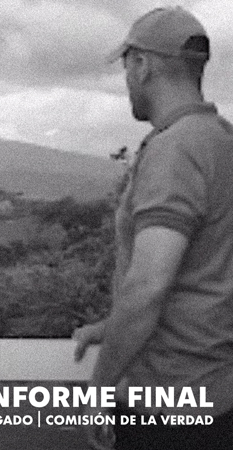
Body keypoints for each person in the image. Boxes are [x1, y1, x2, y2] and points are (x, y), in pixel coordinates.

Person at [73, 6, 233, 450]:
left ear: (141, 66)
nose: (126, 79)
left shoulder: (175, 150)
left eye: (126, 66)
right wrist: (111, 325)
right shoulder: (222, 140)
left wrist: (100, 389)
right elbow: (208, 271)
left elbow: (149, 286)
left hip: (169, 407)